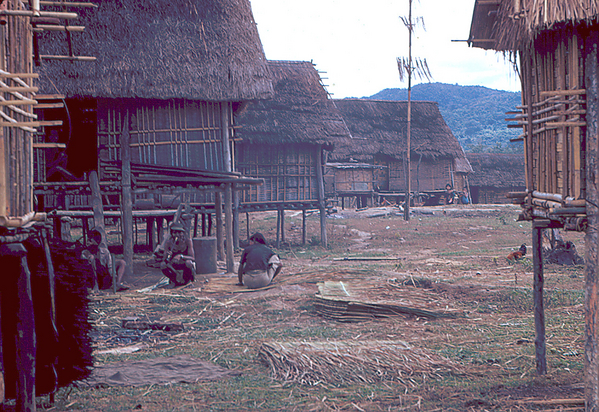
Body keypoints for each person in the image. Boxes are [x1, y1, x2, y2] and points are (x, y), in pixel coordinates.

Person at [160, 223, 196, 287]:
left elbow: (192, 258)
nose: (177, 235)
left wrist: (181, 256)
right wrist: (167, 255)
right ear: (172, 234)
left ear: (183, 233)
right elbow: (164, 260)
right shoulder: (168, 243)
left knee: (188, 262)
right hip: (174, 265)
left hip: (184, 264)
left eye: (179, 232)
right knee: (162, 265)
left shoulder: (188, 241)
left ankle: (188, 280)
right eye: (175, 233)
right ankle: (173, 279)